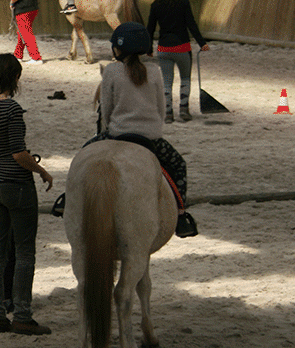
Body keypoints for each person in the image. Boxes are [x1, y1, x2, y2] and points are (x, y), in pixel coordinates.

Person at [60, 23, 197, 238]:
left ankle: (67, 199)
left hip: (117, 133)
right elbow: (161, 108)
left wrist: (112, 127)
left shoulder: (112, 71)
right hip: (150, 136)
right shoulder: (154, 71)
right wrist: (153, 127)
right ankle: (181, 215)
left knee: (82, 155)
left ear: (118, 48)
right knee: (178, 164)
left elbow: (106, 109)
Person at [0, 54, 54, 336]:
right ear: (14, 78)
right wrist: (41, 171)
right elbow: (19, 153)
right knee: (24, 253)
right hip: (18, 185)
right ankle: (22, 315)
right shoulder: (12, 110)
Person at [146, 0, 210, 123]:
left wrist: (148, 48)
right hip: (182, 47)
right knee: (185, 79)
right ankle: (184, 109)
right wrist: (202, 43)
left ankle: (168, 113)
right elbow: (191, 24)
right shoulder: (183, 2)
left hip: (164, 49)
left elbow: (149, 28)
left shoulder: (155, 5)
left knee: (167, 82)